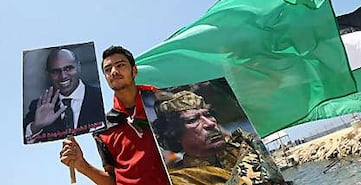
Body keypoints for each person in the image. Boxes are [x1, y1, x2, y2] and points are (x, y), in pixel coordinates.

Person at [60, 46, 170, 185]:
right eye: (107, 69)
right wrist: (82, 165)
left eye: (120, 65)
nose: (114, 72)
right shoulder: (103, 128)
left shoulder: (166, 106)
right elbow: (112, 181)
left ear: (134, 70)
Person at [152, 90, 290, 185]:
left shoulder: (247, 146)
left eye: (208, 115)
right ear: (175, 135)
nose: (210, 123)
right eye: (193, 120)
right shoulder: (179, 180)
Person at [23, 48, 106, 143]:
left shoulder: (100, 97)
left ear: (79, 66)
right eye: (55, 71)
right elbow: (21, 146)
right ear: (48, 74)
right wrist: (35, 128)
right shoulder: (38, 107)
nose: (63, 76)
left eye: (68, 68)